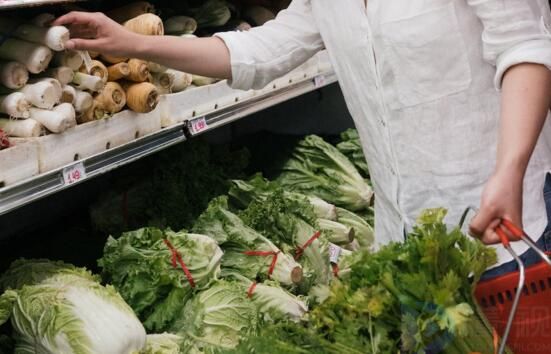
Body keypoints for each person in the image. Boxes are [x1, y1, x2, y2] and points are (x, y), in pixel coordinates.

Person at [54, 0, 551, 278]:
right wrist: (131, 43)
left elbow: (525, 47)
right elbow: (259, 52)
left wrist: (509, 170)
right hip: (402, 235)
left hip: (501, 223)